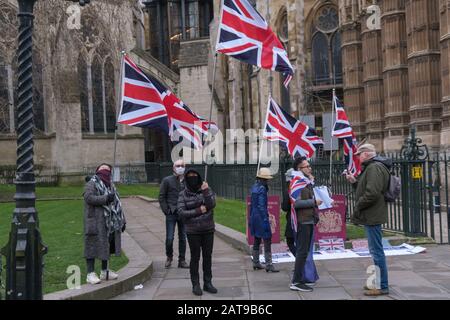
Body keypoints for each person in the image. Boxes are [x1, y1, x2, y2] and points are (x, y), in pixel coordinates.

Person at [345, 143, 391, 296]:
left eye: (359, 155)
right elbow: (367, 188)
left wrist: (358, 204)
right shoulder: (373, 167)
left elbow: (372, 193)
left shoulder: (374, 168)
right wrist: (355, 182)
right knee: (375, 251)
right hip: (372, 214)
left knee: (376, 252)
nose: (358, 158)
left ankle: (382, 286)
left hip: (372, 215)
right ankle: (378, 282)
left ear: (366, 154)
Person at [84, 163, 126, 284]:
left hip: (109, 222)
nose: (105, 171)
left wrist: (123, 221)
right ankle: (90, 273)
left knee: (106, 246)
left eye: (108, 170)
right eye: (103, 169)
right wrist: (106, 198)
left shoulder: (111, 186)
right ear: (98, 171)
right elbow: (88, 198)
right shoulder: (92, 183)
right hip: (95, 221)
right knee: (91, 246)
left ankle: (104, 271)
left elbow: (117, 203)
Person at [177, 169, 217, 296]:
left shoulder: (206, 189)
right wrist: (199, 210)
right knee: (195, 257)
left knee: (207, 257)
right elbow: (182, 212)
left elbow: (211, 204)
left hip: (208, 229)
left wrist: (205, 191)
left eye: (195, 176)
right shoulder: (183, 194)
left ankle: (208, 282)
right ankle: (195, 284)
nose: (192, 178)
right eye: (189, 176)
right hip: (193, 231)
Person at [290, 157, 322, 292]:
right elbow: (296, 203)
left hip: (309, 220)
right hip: (303, 221)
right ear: (299, 169)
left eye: (309, 166)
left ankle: (300, 279)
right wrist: (313, 202)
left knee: (304, 252)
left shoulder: (306, 182)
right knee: (302, 252)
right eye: (306, 166)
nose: (310, 168)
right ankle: (296, 281)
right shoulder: (297, 182)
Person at [159, 160, 189, 269]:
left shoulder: (188, 181)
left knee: (183, 237)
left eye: (182, 166)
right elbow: (161, 197)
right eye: (178, 166)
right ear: (173, 168)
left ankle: (182, 260)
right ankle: (169, 256)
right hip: (171, 213)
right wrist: (166, 210)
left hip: (184, 213)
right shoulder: (167, 180)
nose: (180, 167)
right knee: (170, 237)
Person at [249, 168, 279, 273]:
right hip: (261, 217)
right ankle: (269, 264)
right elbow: (261, 206)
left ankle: (256, 262)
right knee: (267, 239)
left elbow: (252, 205)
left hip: (254, 216)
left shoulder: (254, 187)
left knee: (257, 239)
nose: (267, 181)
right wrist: (265, 219)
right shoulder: (262, 188)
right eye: (266, 179)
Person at [281, 168, 296, 255]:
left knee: (290, 241)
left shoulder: (289, 190)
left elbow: (285, 207)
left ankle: (300, 262)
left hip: (293, 219)